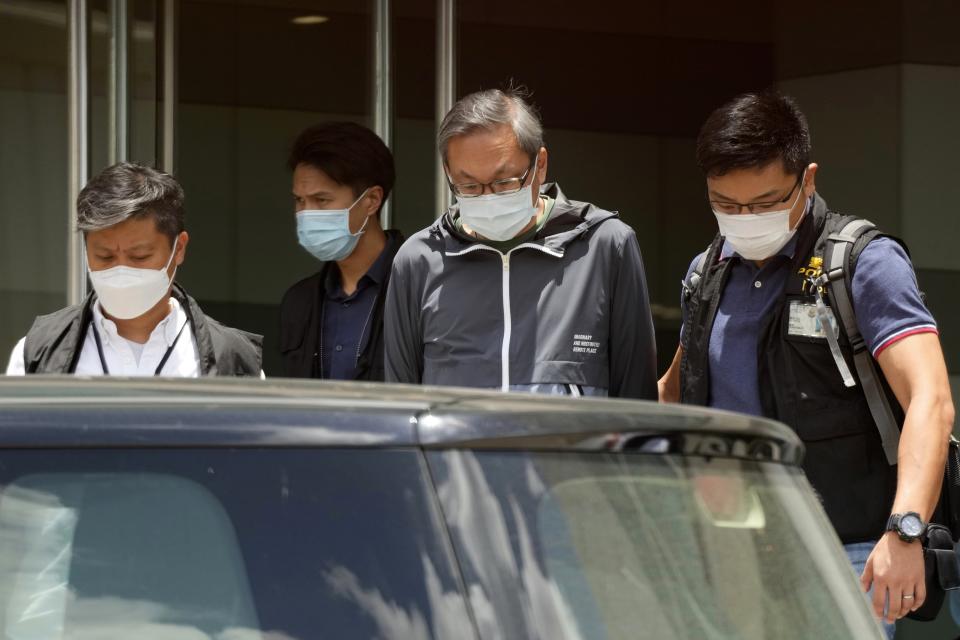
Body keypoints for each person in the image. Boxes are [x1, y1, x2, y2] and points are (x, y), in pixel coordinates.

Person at [658, 90, 955, 634]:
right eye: (726, 204)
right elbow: (674, 395)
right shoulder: (707, 273)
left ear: (807, 180)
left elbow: (931, 400)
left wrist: (906, 529)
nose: (745, 219)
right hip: (727, 552)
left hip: (844, 549)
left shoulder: (861, 263)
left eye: (767, 202)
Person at [384, 88, 657, 399]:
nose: (487, 197)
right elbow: (402, 401)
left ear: (540, 165)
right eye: (468, 185)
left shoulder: (605, 245)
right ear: (448, 173)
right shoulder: (418, 260)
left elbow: (637, 399)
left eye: (504, 182)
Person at [5, 162, 263, 376]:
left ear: (179, 248)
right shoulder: (38, 351)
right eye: (104, 256)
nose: (121, 270)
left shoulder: (234, 359)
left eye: (140, 256)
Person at [280, 122, 403, 380]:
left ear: (371, 200)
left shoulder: (418, 290)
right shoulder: (299, 302)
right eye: (300, 201)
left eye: (321, 200)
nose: (306, 213)